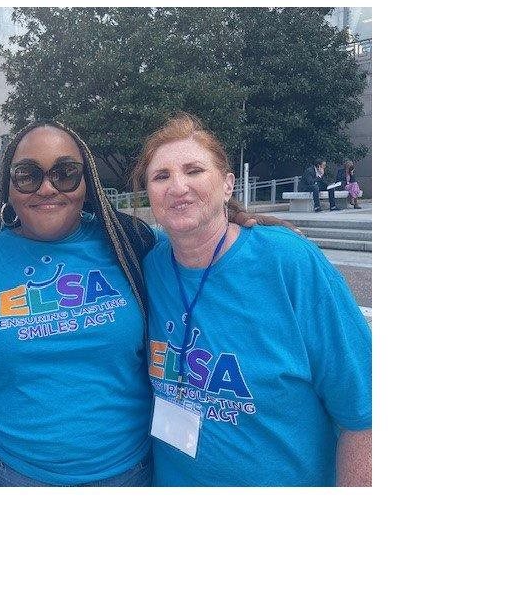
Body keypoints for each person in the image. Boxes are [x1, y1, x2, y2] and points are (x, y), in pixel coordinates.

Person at [0, 120, 298, 487]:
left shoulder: (129, 241)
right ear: (9, 186)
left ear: (87, 182)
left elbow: (195, 239)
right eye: (28, 175)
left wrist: (231, 216)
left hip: (126, 475)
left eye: (65, 173)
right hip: (5, 473)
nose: (47, 188)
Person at [132, 112, 371, 486]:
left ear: (227, 185)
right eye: (161, 176)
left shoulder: (288, 262)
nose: (178, 186)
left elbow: (364, 411)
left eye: (194, 171)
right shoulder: (147, 267)